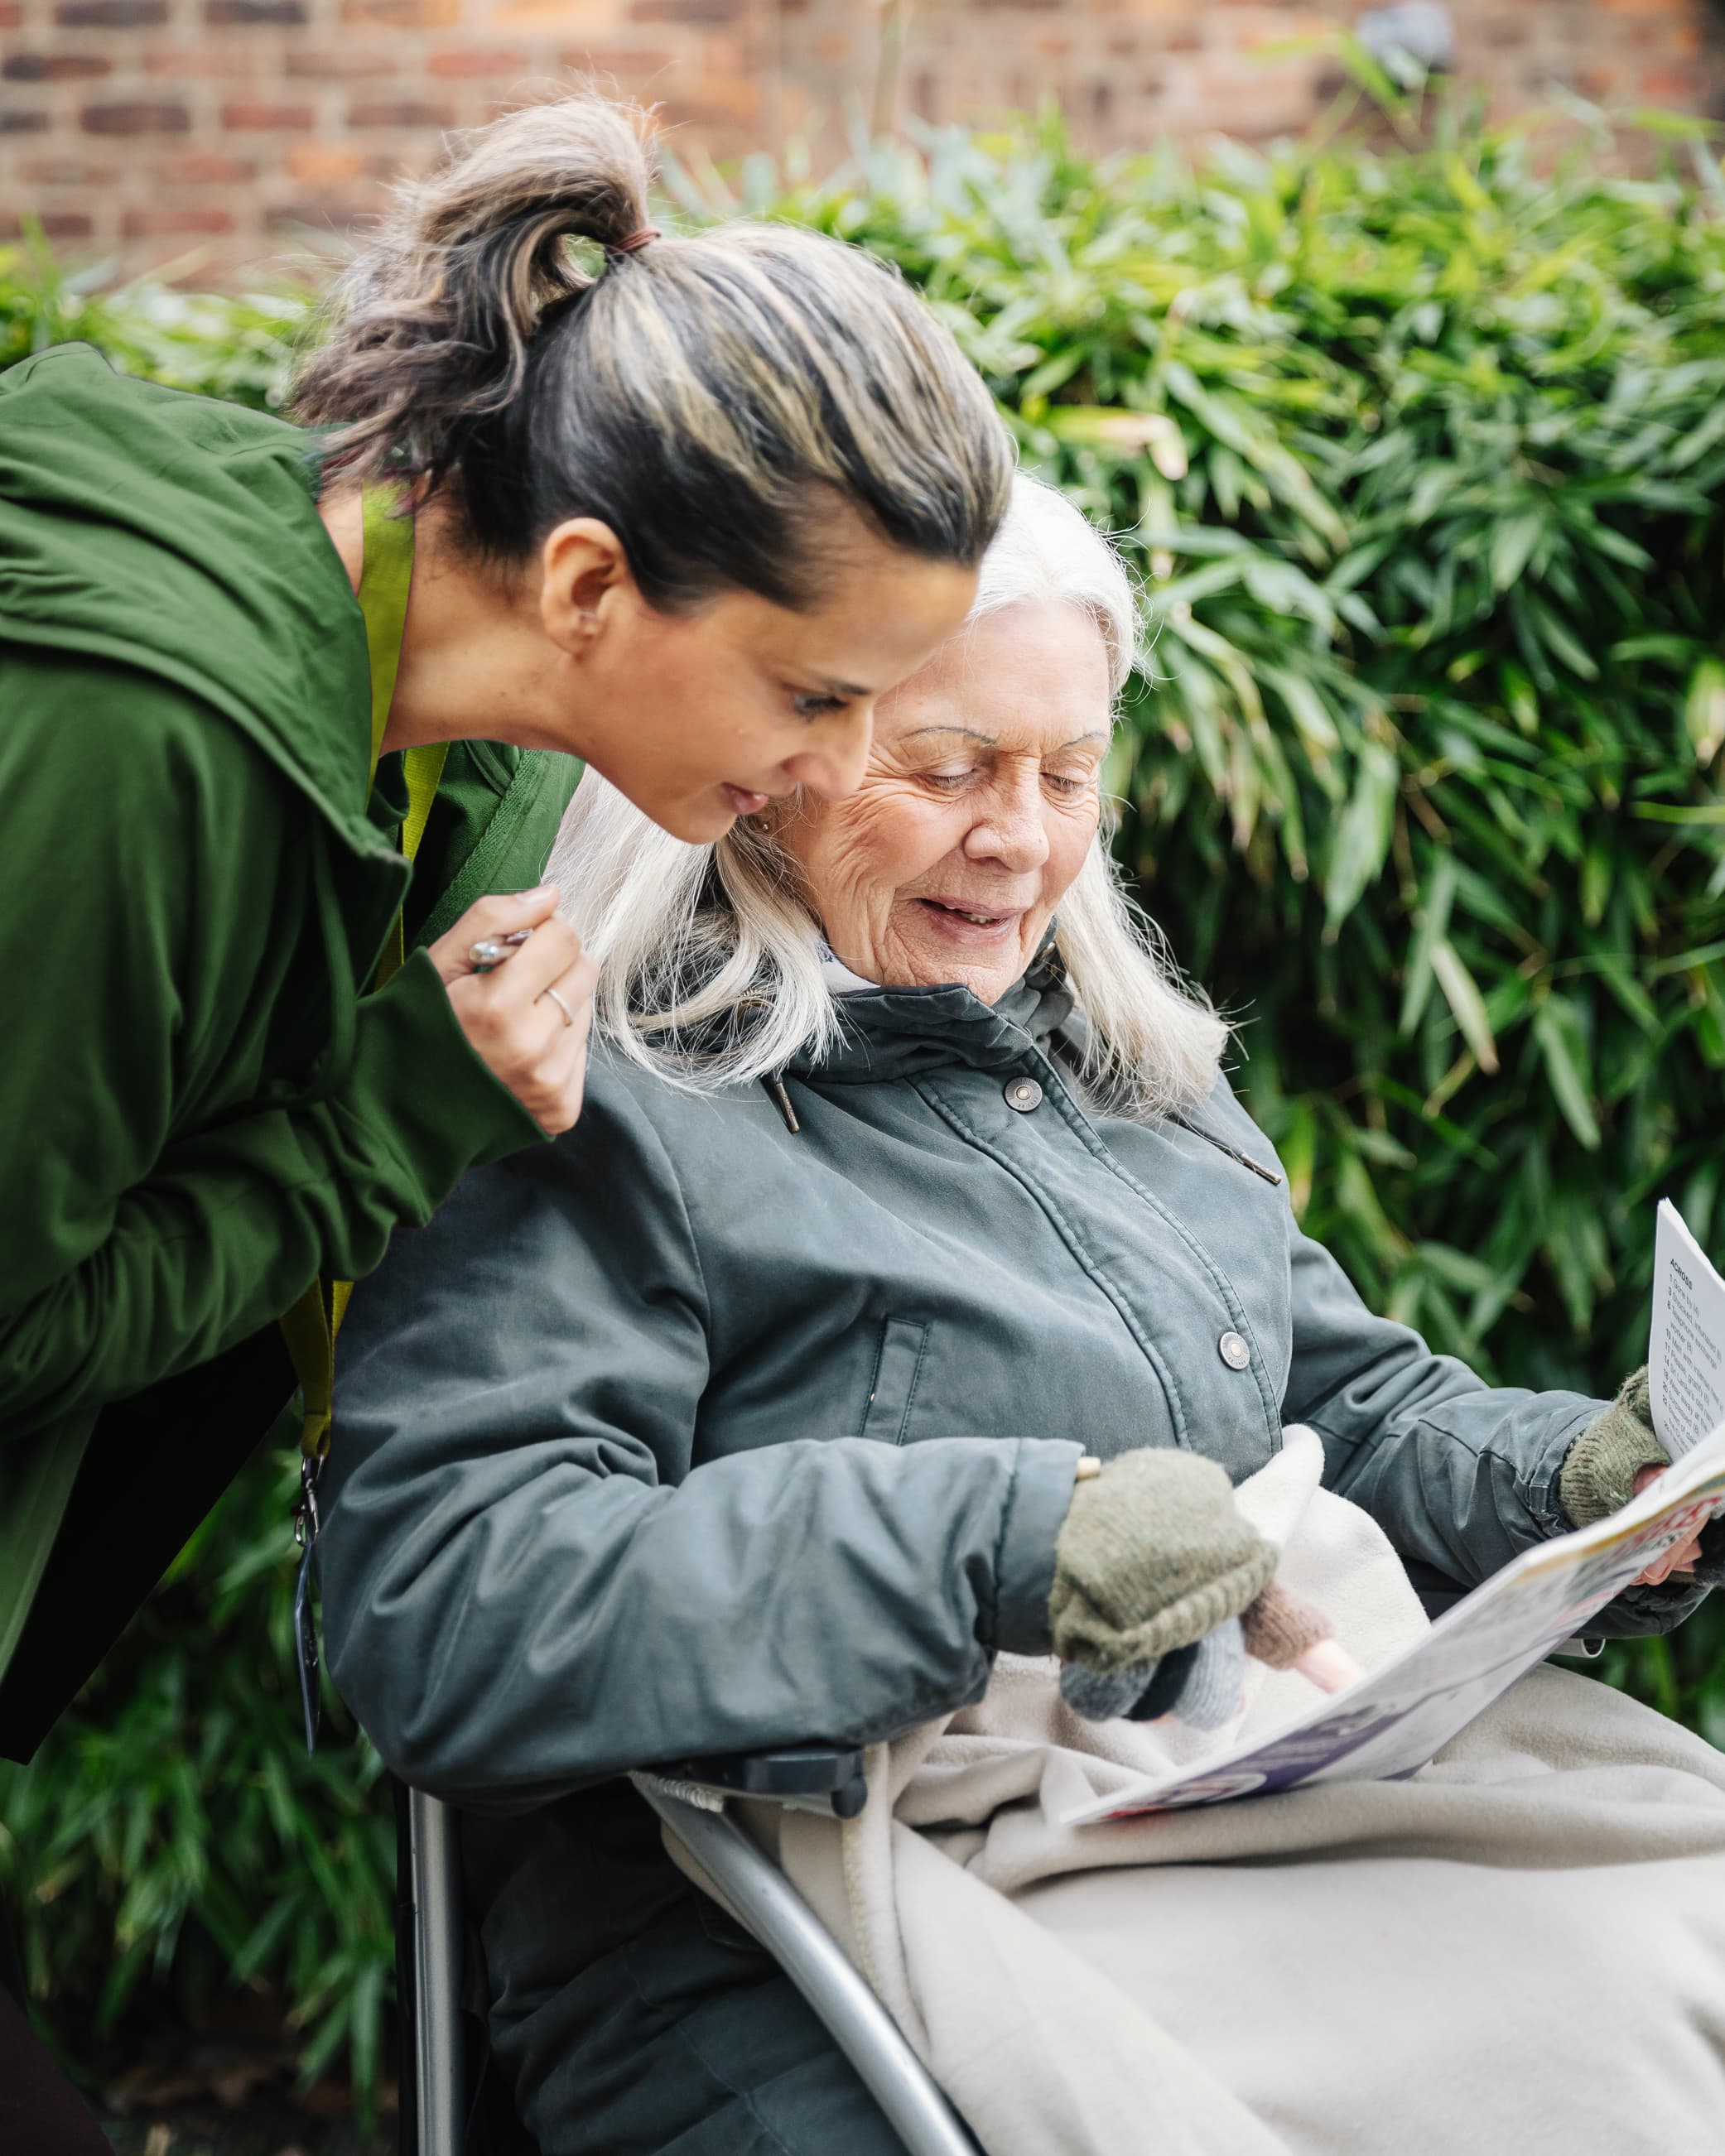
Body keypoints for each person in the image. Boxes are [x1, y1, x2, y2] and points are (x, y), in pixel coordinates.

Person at [315, 477, 1722, 2154]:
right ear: (770, 763)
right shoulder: (596, 1098)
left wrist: (1596, 1483)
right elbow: (445, 1605)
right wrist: (1004, 1537)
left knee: (1637, 1981)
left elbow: (1341, 1411)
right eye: (946, 767)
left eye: (1067, 775)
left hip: (1209, 1805)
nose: (1021, 838)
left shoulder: (1125, 1076)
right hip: (779, 1898)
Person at [0, 89, 1009, 2149]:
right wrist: (394, 1110)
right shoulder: (141, 742)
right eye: (811, 701)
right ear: (583, 582)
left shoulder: (458, 755)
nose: (832, 779)